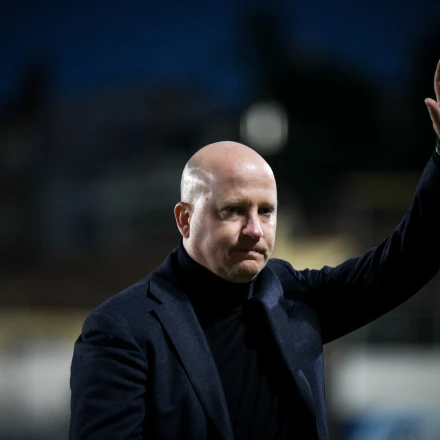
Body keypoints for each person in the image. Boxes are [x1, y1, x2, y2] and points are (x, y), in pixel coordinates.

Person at [69, 61, 440, 440]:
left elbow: (405, 263)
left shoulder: (291, 293)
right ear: (184, 219)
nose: (254, 230)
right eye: (233, 211)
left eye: (266, 211)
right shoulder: (120, 330)